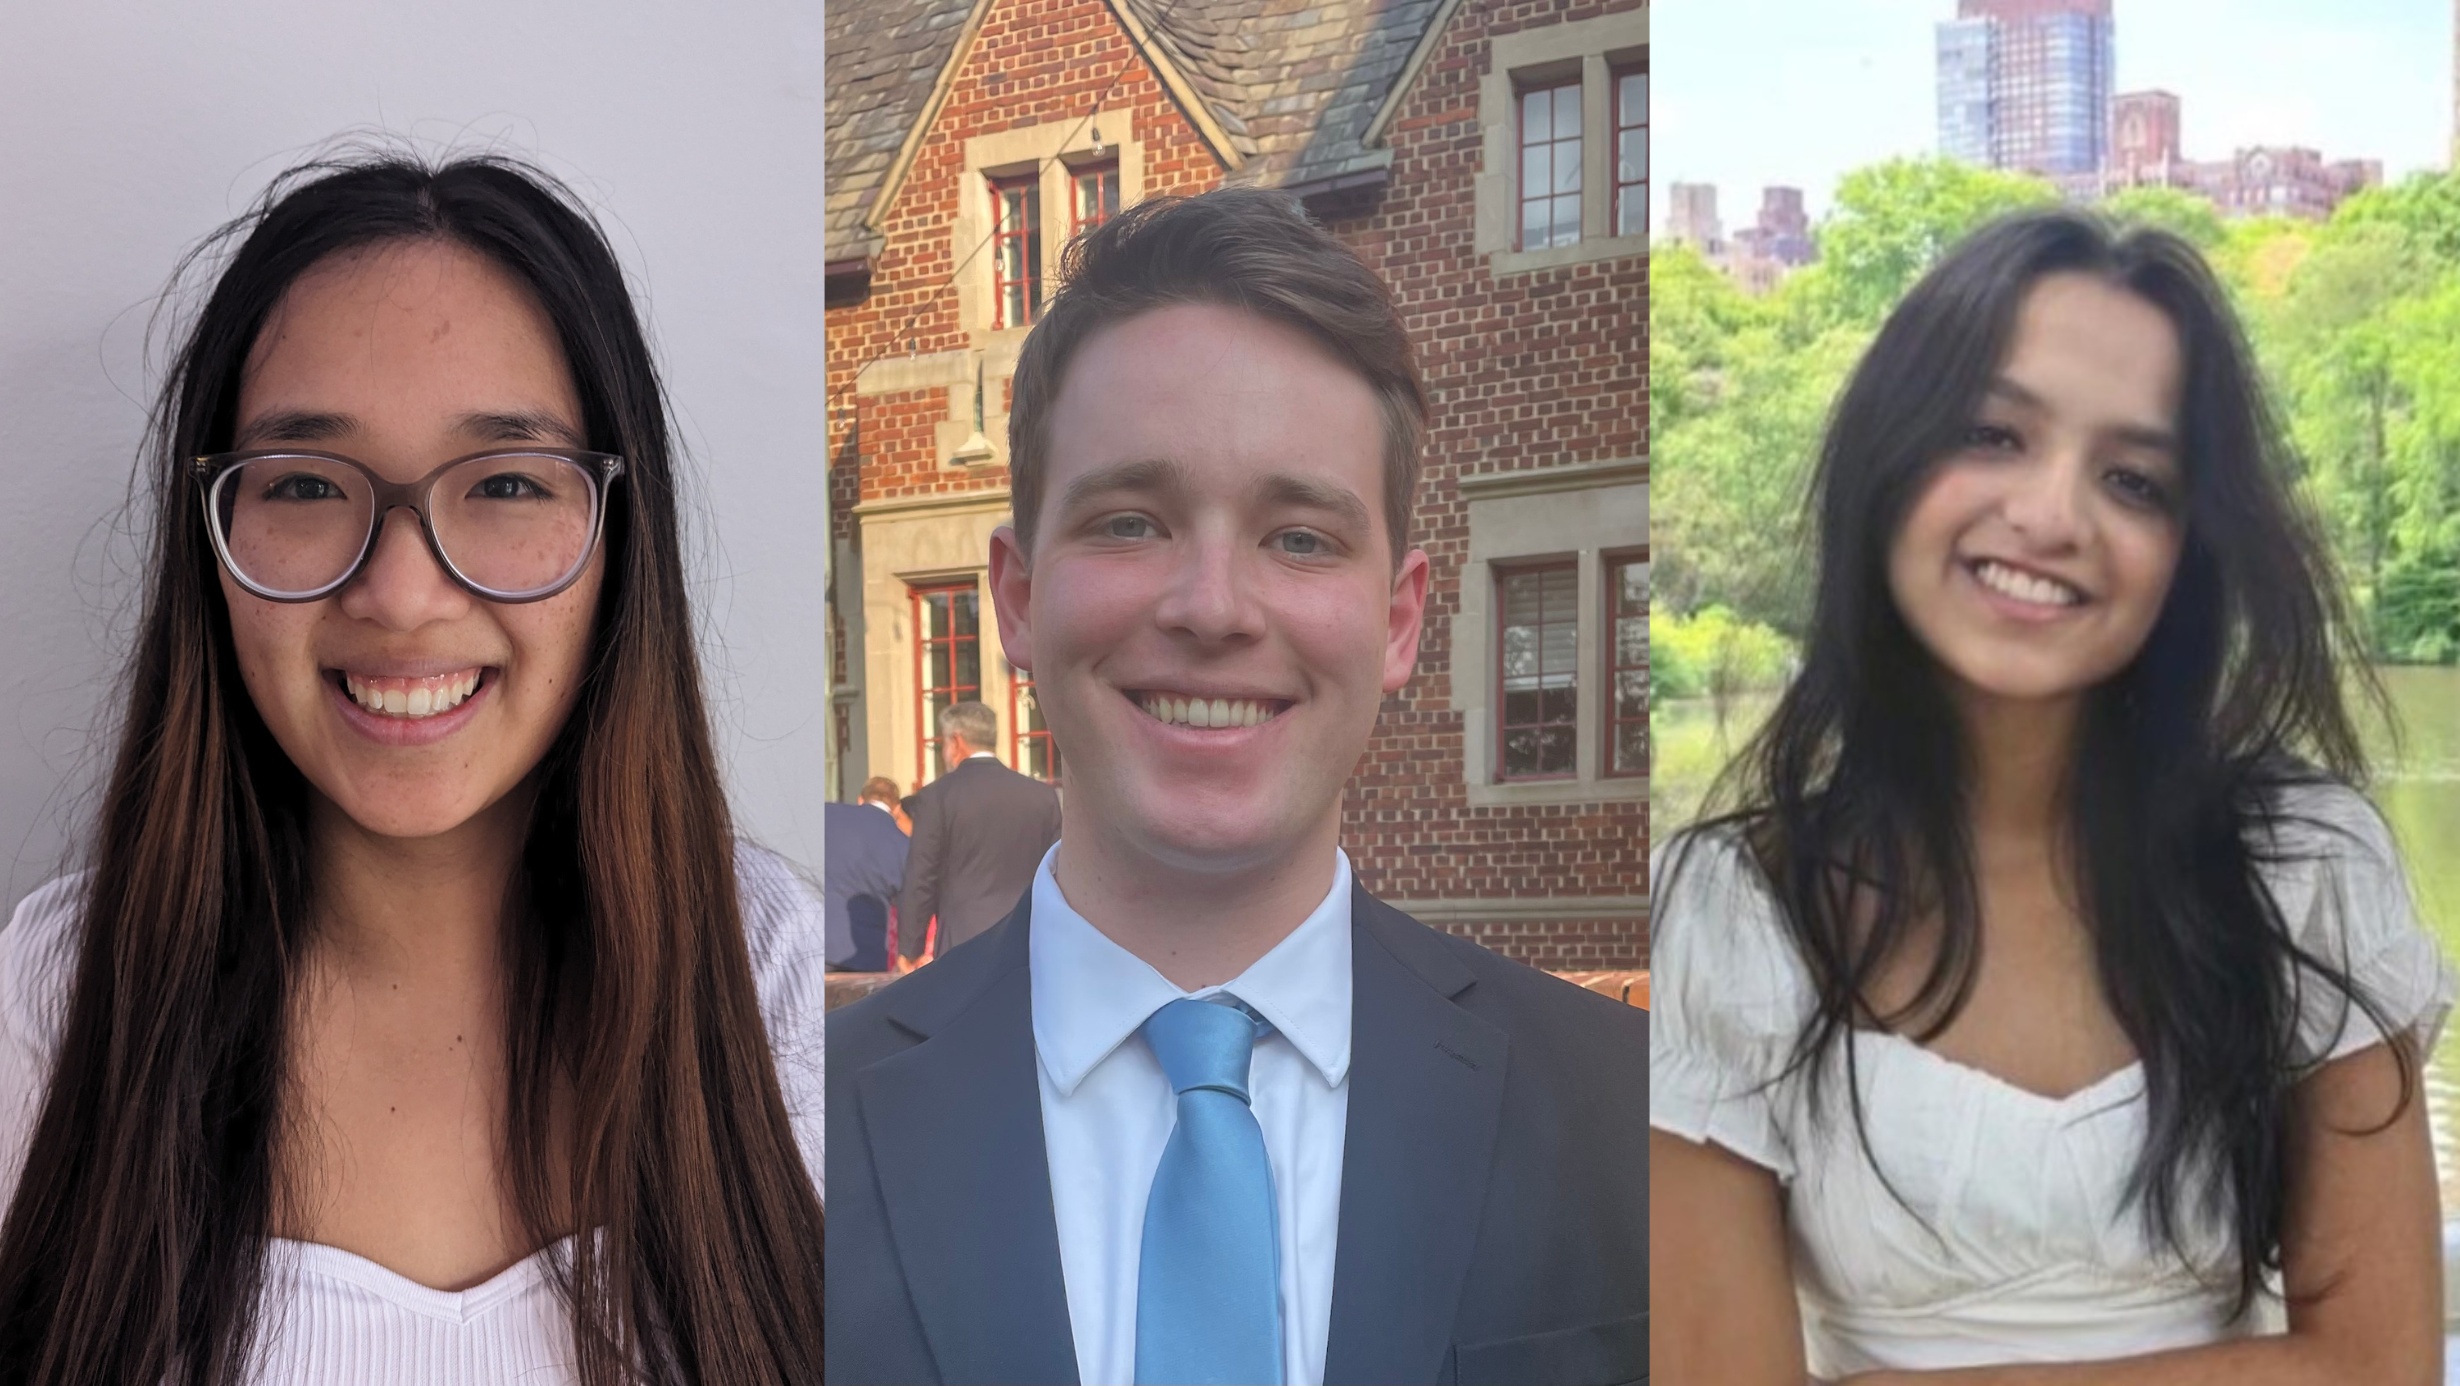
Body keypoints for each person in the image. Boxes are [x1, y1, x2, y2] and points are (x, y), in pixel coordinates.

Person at [0, 153, 826, 1384]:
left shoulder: (786, 1005)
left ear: (618, 538)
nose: (399, 593)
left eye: (502, 482)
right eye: (301, 485)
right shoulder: (51, 1011)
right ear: (213, 542)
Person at [826, 188, 1645, 1385]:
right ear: (1013, 595)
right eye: (1129, 521)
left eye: (1300, 538)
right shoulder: (791, 1137)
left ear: (1400, 617)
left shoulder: (1622, 1118)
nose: (1212, 606)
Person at [1650, 209, 2453, 1383]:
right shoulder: (1733, 911)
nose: (2052, 516)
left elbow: (2383, 1366)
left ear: (2188, 551)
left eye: (2134, 479)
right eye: (1993, 434)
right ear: (1891, 462)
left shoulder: (2303, 868)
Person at [893, 701, 1062, 970]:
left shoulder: (937, 797)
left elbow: (922, 877)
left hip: (962, 941)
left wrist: (909, 949)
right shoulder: (1042, 797)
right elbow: (1058, 872)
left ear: (956, 742)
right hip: (1028, 939)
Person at [827, 794, 911, 973]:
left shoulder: (828, 814)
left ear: (860, 799)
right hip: (865, 955)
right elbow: (910, 903)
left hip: (806, 942)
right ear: (896, 809)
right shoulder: (902, 844)